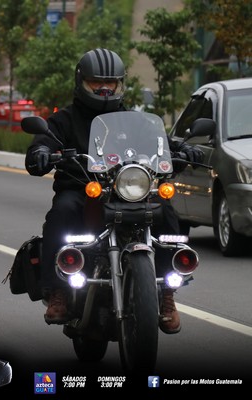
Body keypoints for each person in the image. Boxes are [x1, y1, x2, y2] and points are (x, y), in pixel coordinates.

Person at [24, 48, 204, 334]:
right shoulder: (64, 120)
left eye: (111, 82)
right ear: (81, 82)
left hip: (128, 190)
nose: (104, 88)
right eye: (97, 82)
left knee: (166, 210)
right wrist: (41, 152)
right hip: (83, 190)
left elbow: (161, 142)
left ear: (121, 83)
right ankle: (58, 290)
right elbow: (44, 141)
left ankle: (166, 293)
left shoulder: (134, 120)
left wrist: (183, 148)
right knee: (62, 211)